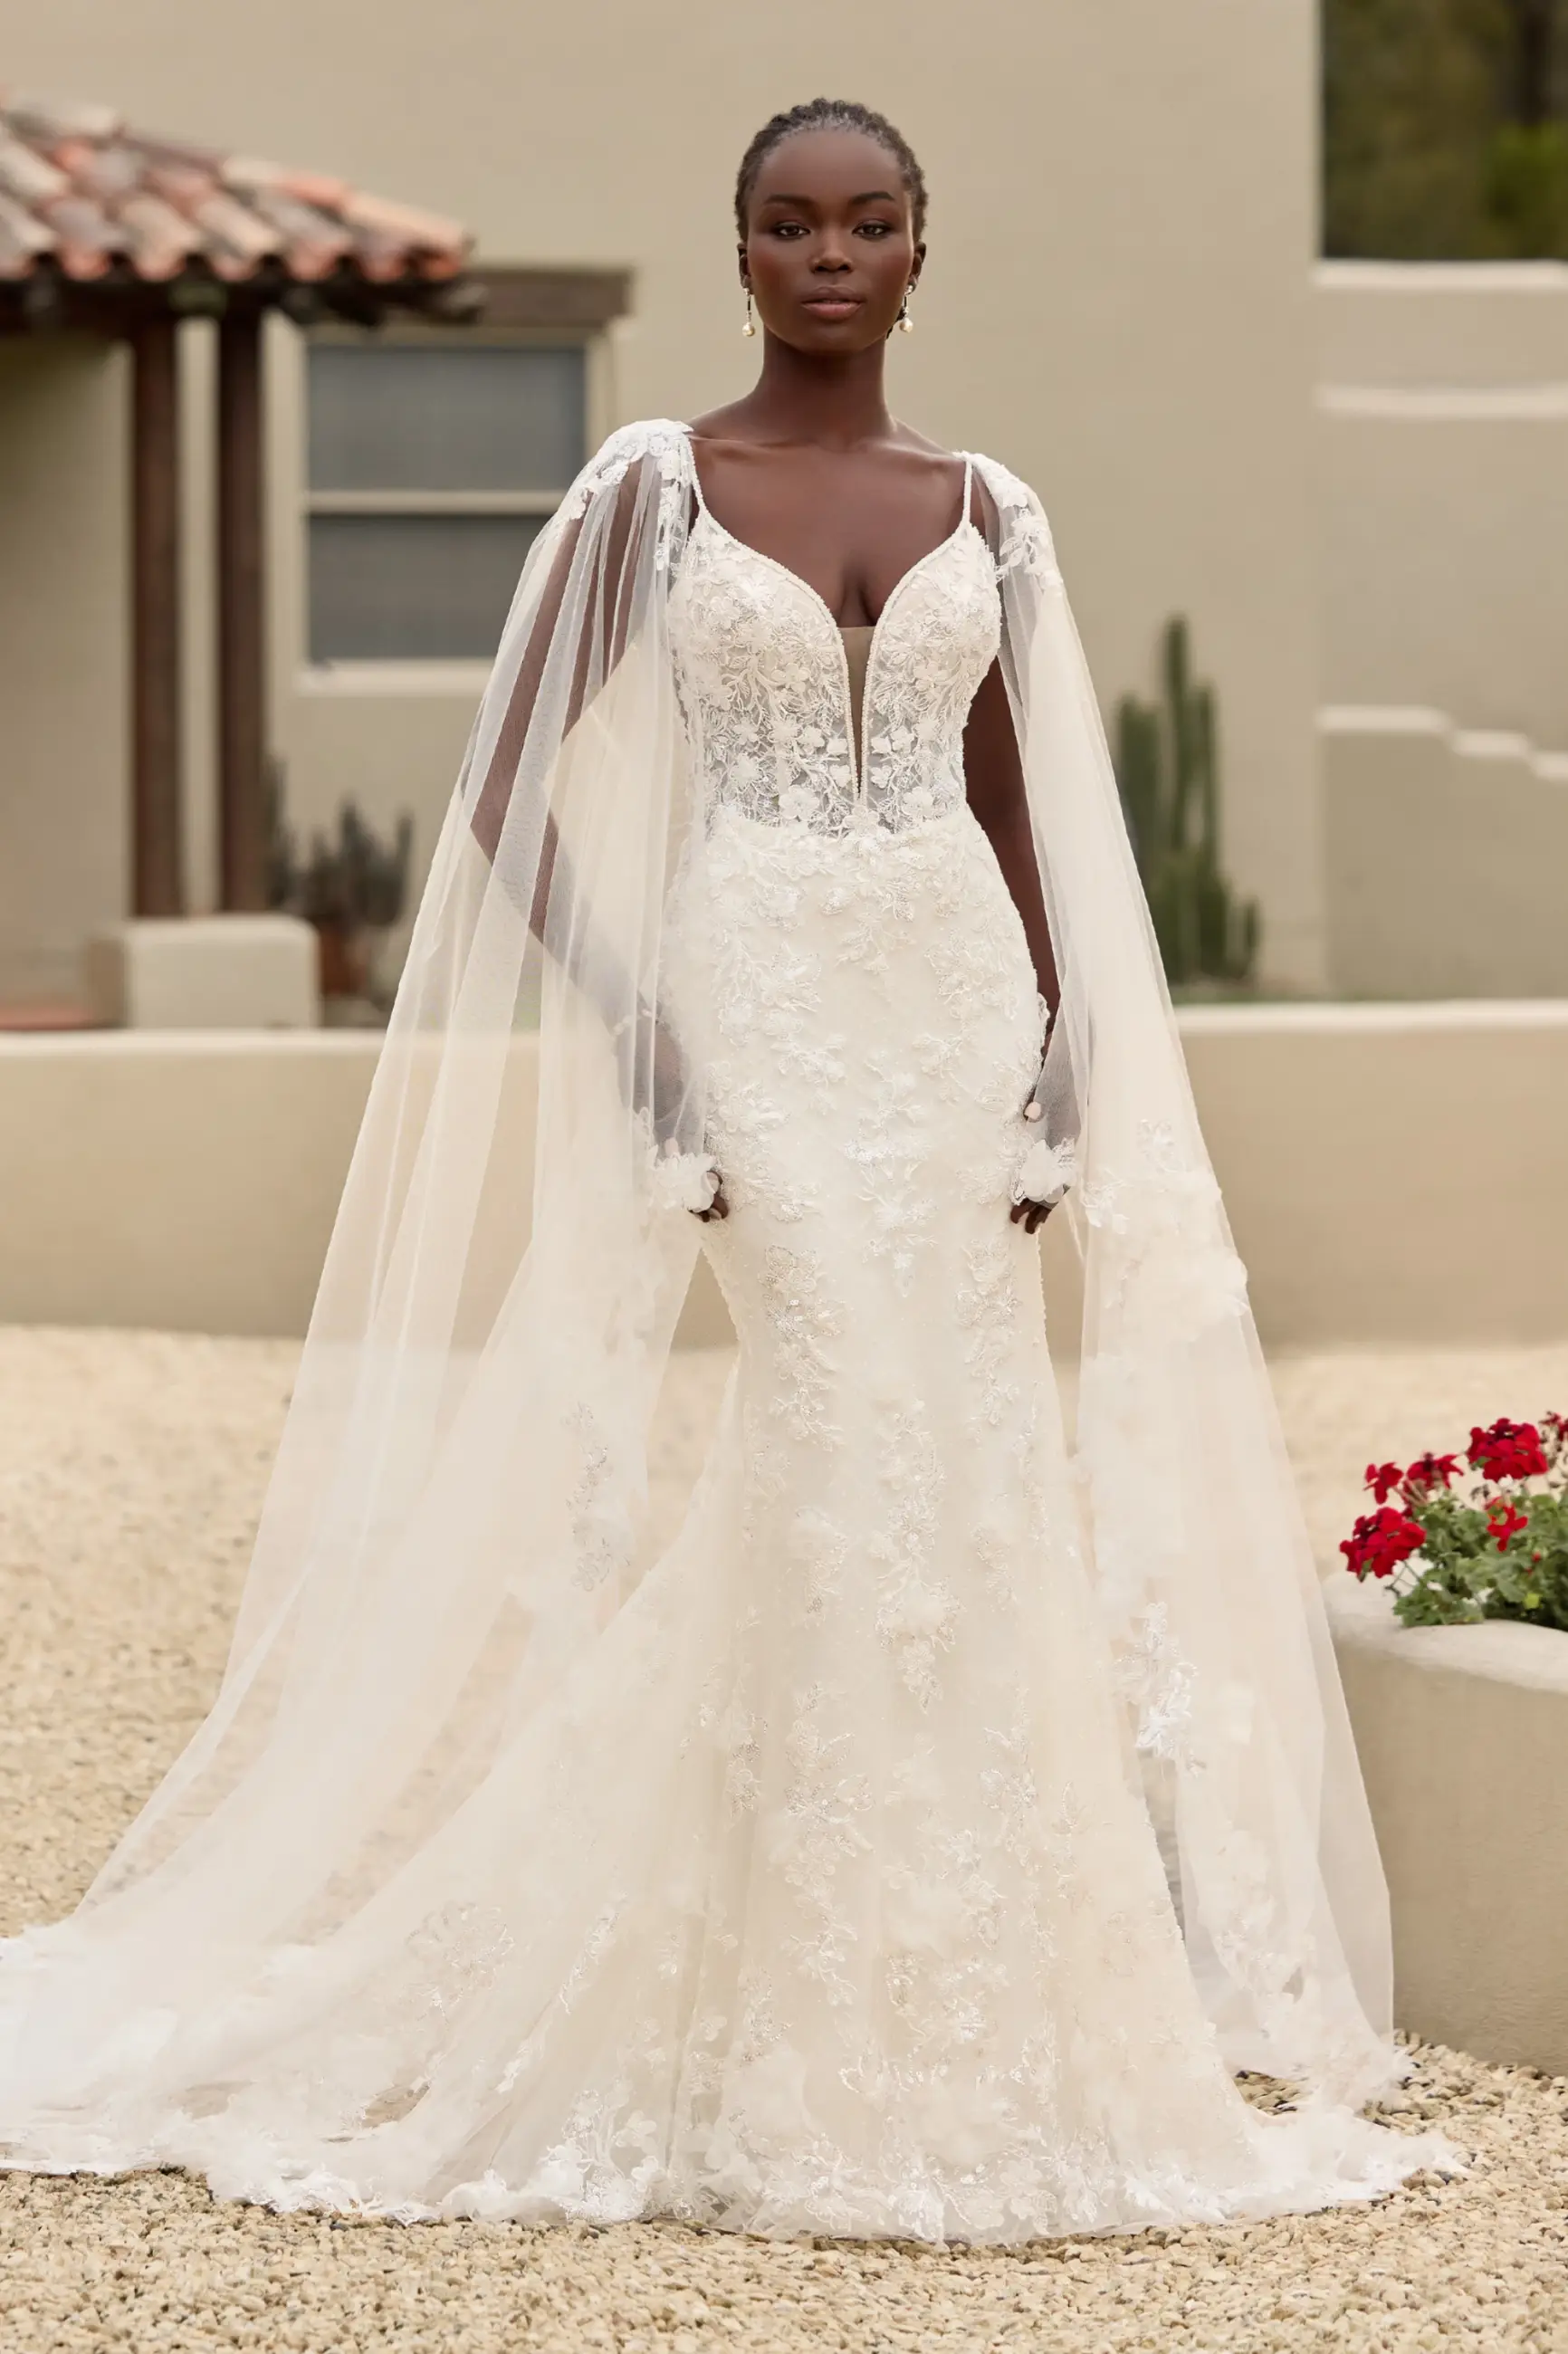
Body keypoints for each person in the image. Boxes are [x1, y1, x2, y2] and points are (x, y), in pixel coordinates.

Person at [0, 99, 1454, 2241]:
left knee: (959, 1466)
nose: (830, 256)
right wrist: (638, 1019)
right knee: (843, 1436)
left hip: (951, 1021)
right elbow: (503, 787)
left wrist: (1060, 1052)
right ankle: (780, 2009)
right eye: (790, 224)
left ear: (919, 250)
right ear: (741, 252)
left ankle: (974, 2003)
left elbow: (1024, 808)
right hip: (755, 1012)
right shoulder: (648, 492)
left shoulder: (992, 510)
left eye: (869, 222)